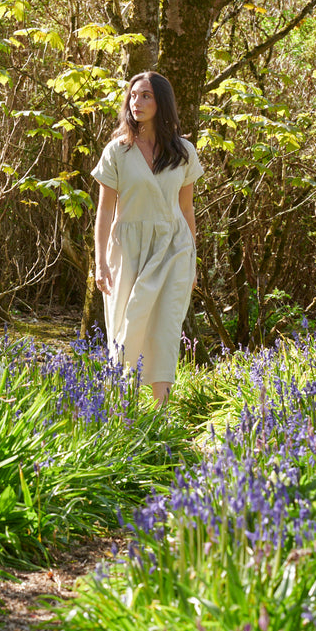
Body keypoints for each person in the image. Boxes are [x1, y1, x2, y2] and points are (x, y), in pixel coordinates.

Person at [91, 71, 204, 407]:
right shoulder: (117, 152)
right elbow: (105, 212)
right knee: (126, 329)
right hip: (128, 250)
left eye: (146, 96)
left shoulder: (183, 152)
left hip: (173, 250)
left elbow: (187, 210)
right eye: (133, 96)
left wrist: (192, 261)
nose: (136, 103)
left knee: (166, 330)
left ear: (162, 103)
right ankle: (120, 416)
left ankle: (160, 418)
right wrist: (99, 262)